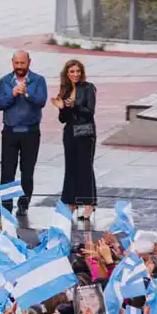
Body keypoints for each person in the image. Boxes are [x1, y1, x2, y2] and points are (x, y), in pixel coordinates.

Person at [0, 50, 48, 216]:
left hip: (30, 132)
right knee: (7, 170)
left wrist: (26, 93)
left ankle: (24, 203)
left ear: (29, 62)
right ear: (12, 63)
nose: (19, 67)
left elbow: (41, 101)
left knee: (27, 170)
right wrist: (12, 93)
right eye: (16, 63)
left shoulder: (38, 80)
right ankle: (6, 205)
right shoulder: (5, 81)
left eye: (22, 63)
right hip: (10, 131)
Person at [52, 59, 97, 219]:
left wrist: (74, 105)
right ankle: (71, 202)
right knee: (70, 168)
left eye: (78, 71)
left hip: (85, 133)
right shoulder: (64, 90)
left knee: (85, 167)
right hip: (70, 133)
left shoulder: (88, 88)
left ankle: (89, 203)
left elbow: (90, 111)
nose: (75, 74)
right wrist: (62, 108)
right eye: (72, 71)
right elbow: (63, 119)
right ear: (67, 73)